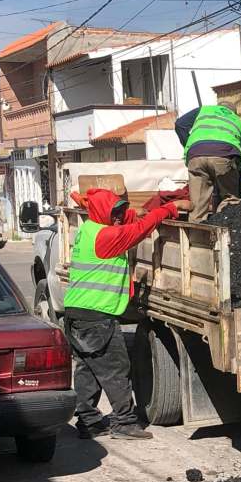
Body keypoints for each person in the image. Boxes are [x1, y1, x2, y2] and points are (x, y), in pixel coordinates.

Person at [64, 188, 192, 440]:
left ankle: (88, 421)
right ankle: (124, 422)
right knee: (116, 368)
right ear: (103, 213)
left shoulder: (90, 229)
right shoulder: (107, 237)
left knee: (88, 369)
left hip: (76, 312)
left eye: (120, 212)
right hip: (96, 315)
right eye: (115, 213)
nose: (119, 218)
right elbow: (140, 229)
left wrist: (136, 211)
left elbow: (127, 219)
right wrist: (170, 209)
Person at [174, 102, 241, 222]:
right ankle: (226, 230)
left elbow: (180, 124)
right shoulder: (237, 120)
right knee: (229, 198)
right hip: (224, 156)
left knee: (198, 204)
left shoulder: (204, 110)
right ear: (233, 112)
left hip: (196, 156)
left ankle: (196, 237)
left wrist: (190, 145)